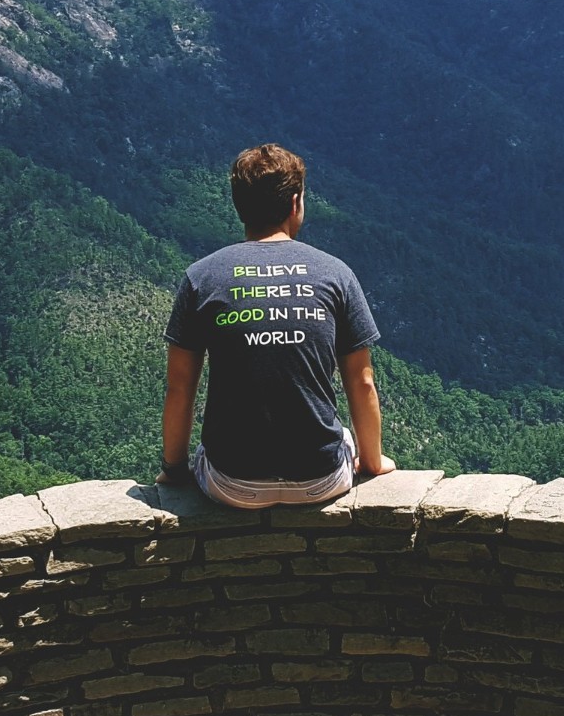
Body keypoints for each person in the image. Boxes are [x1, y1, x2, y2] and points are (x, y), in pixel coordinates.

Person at [157, 143, 396, 507]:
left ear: (238, 205)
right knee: (344, 439)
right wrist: (373, 463)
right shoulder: (336, 274)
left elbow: (179, 386)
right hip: (321, 479)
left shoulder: (201, 278)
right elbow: (362, 383)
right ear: (295, 203)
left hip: (232, 484)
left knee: (208, 450)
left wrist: (173, 470)